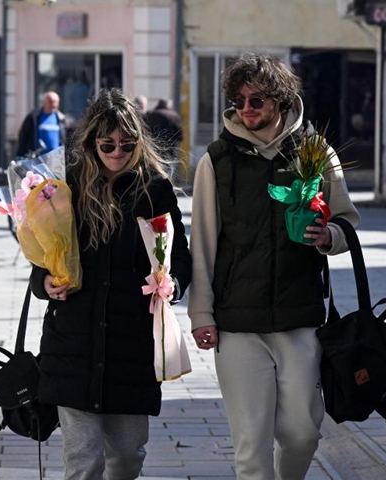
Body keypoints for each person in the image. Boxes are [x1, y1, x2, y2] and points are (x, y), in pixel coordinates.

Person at [188, 53, 360, 480]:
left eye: (257, 99)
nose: (247, 108)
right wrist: (201, 314)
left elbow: (347, 221)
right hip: (237, 323)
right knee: (251, 447)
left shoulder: (314, 153)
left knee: (303, 433)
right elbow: (203, 244)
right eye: (239, 99)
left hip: (299, 317)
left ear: (281, 101)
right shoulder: (217, 160)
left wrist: (329, 237)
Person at [29, 88, 192, 480]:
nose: (117, 152)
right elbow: (43, 253)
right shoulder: (66, 187)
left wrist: (172, 282)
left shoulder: (154, 190)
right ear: (91, 142)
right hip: (74, 343)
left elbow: (181, 257)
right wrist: (45, 281)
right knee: (84, 462)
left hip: (131, 344)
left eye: (126, 144)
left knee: (126, 458)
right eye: (107, 144)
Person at [16, 91, 67, 158]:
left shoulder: (61, 119)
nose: (53, 104)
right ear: (44, 102)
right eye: (51, 102)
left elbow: (64, 139)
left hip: (56, 160)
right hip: (37, 159)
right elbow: (23, 137)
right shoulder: (34, 117)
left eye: (56, 102)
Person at [144, 98, 184, 165]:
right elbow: (180, 135)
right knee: (169, 170)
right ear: (169, 105)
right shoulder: (173, 116)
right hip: (170, 150)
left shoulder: (150, 114)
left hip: (153, 149)